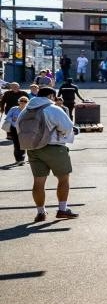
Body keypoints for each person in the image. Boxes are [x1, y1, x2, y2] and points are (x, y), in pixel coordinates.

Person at [15, 86, 77, 222]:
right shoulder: (53, 109)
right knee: (63, 179)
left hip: (32, 149)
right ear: (50, 96)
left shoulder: (26, 110)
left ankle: (40, 213)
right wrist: (64, 137)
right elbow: (67, 127)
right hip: (54, 148)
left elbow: (18, 128)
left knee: (38, 182)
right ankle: (62, 209)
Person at [5, 93, 27, 166]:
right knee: (16, 144)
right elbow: (7, 117)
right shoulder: (14, 108)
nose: (23, 102)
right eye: (21, 101)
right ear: (18, 102)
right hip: (14, 128)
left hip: (24, 129)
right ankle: (18, 159)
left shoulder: (28, 110)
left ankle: (22, 159)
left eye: (25, 101)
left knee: (23, 144)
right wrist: (13, 120)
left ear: (27, 103)